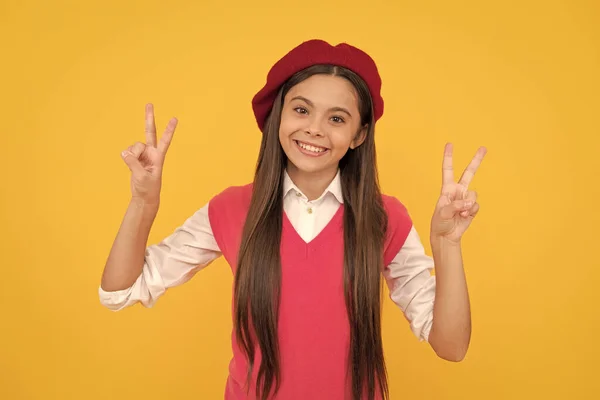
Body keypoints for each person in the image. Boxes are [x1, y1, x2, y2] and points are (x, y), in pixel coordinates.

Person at [99, 39, 487, 400]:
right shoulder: (232, 209)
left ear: (359, 135)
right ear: (277, 116)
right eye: (301, 109)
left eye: (337, 118)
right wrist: (143, 202)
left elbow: (450, 346)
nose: (314, 129)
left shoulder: (384, 219)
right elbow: (119, 291)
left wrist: (448, 245)